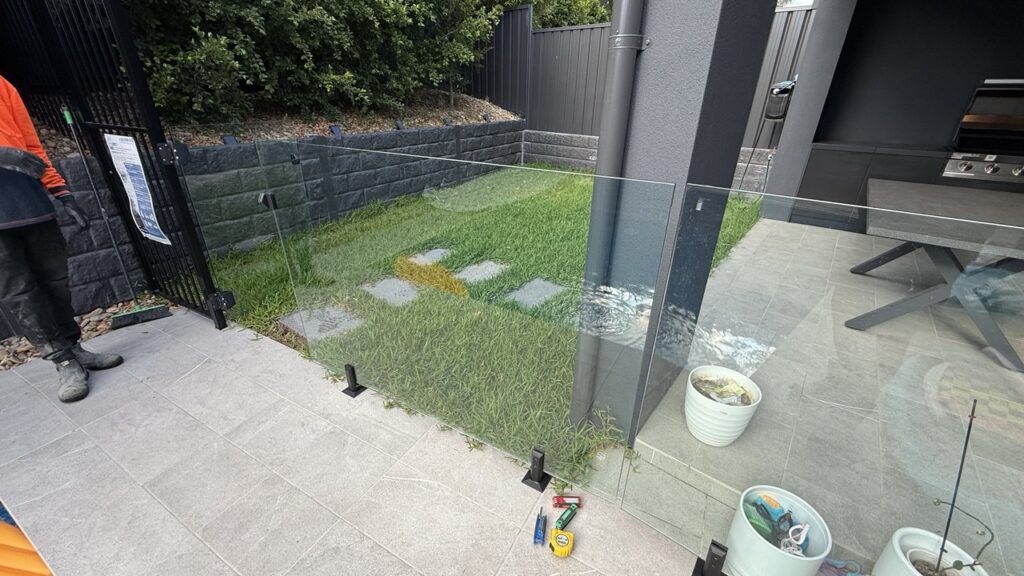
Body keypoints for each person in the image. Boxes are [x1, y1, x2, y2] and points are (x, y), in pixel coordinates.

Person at [0, 74, 122, 403]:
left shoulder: (3, 85)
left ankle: (74, 347)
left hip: (30, 201)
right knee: (21, 293)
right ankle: (62, 360)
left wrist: (61, 191)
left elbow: (31, 145)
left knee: (56, 281)